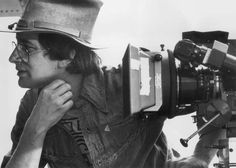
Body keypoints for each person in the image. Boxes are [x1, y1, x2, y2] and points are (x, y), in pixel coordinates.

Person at [0, 0, 228, 167]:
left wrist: (200, 157)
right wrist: (35, 129)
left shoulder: (135, 82)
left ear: (66, 55)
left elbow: (219, 100)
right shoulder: (32, 105)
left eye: (26, 48)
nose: (13, 58)